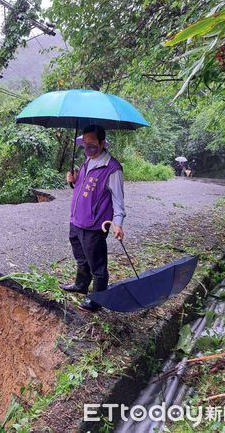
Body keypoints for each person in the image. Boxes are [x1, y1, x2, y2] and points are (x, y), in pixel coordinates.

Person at [59, 125, 126, 312]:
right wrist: (72, 181)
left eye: (92, 143)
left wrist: (118, 224)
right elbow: (81, 188)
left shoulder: (112, 168)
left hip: (95, 225)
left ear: (103, 143)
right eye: (85, 143)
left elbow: (118, 200)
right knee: (81, 256)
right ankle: (81, 284)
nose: (88, 147)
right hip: (76, 220)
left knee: (97, 264)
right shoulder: (86, 162)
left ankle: (97, 299)